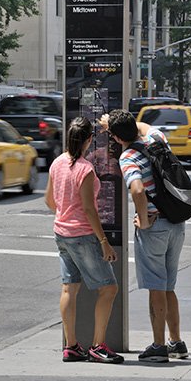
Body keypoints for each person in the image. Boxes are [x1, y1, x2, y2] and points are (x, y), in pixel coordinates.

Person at [98, 109, 188, 363]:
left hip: (154, 227)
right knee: (169, 285)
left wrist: (145, 220)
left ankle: (159, 347)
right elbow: (146, 126)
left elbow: (137, 189)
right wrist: (122, 123)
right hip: (175, 223)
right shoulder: (156, 140)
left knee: (156, 287)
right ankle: (176, 342)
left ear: (115, 137)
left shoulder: (128, 156)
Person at [45, 116, 124, 364]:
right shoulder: (85, 169)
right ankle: (98, 346)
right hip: (83, 235)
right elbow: (89, 209)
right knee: (109, 288)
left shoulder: (57, 163)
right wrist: (104, 241)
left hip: (61, 233)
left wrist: (65, 213)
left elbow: (49, 201)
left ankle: (71, 346)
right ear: (89, 140)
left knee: (70, 287)